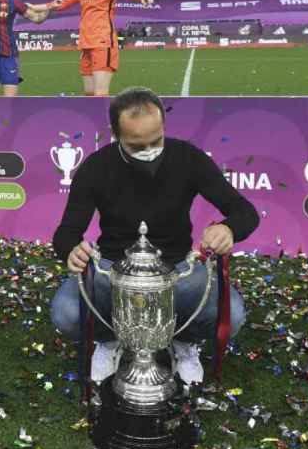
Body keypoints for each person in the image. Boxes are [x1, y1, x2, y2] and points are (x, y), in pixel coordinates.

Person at [50, 87, 259, 384]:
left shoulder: (188, 158)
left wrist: (228, 229)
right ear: (115, 133)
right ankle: (109, 341)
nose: (149, 150)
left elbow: (244, 211)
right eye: (136, 145)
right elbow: (67, 231)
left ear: (164, 127)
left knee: (233, 315)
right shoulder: (96, 167)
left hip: (178, 271)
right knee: (66, 313)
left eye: (156, 140)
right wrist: (71, 250)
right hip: (113, 271)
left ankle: (183, 341)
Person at [49, 0, 155, 97]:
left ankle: (107, 121)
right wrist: (41, 7)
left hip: (103, 42)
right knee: (89, 93)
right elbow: (63, 4)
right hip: (86, 43)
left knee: (100, 94)